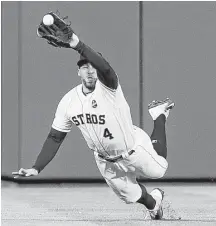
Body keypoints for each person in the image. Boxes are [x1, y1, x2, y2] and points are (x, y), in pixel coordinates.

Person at [12, 33, 175, 220]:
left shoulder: (109, 87)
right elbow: (55, 137)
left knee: (160, 170)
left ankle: (159, 115)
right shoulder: (68, 101)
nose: (90, 71)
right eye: (84, 67)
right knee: (131, 196)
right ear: (78, 72)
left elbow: (106, 68)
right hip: (105, 161)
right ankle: (154, 203)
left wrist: (77, 44)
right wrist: (37, 167)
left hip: (132, 148)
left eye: (93, 67)